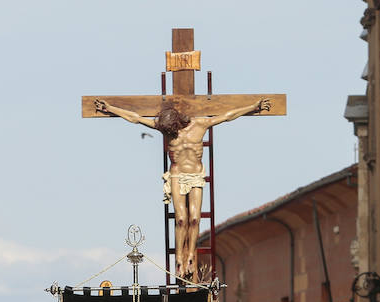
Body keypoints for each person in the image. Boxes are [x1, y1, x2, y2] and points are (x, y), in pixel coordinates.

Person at [93, 95, 272, 280]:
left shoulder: (200, 124)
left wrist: (253, 107)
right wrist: (111, 108)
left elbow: (227, 116)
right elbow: (136, 118)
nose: (169, 134)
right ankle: (179, 258)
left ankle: (191, 257)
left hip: (195, 174)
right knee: (180, 219)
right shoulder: (165, 129)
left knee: (194, 219)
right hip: (177, 174)